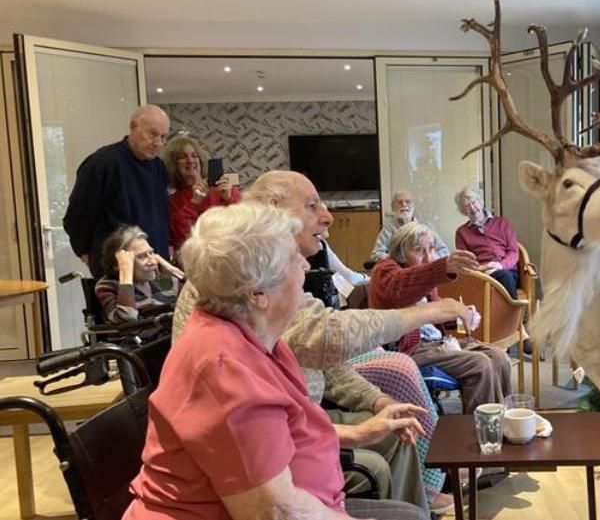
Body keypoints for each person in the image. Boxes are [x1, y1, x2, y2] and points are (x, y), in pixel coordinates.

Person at [172, 170, 462, 513]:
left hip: (296, 430)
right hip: (267, 474)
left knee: (395, 437)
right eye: (312, 205)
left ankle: (421, 501)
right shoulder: (228, 343)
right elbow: (325, 337)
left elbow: (317, 359)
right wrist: (428, 312)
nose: (327, 216)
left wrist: (375, 403)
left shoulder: (260, 316)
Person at [125, 203, 428, 520]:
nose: (306, 268)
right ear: (257, 292)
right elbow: (273, 511)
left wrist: (362, 432)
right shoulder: (223, 366)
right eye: (294, 259)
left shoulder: (258, 338)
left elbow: (284, 431)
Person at [370, 222, 512, 413]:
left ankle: (503, 420)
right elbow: (400, 288)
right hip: (410, 350)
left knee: (499, 357)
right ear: (401, 253)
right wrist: (441, 267)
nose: (428, 257)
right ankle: (479, 430)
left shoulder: (423, 276)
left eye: (432, 249)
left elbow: (433, 309)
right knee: (480, 364)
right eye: (419, 251)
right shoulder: (385, 270)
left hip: (437, 342)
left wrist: (461, 316)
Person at [63, 104, 171, 278]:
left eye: (163, 136)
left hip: (154, 263)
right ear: (134, 127)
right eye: (152, 134)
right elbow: (78, 216)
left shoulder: (159, 168)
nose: (158, 142)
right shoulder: (102, 163)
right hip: (118, 267)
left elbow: (161, 217)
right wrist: (84, 250)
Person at [163, 135, 240, 253]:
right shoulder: (173, 201)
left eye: (194, 156)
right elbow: (182, 237)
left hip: (229, 255)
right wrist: (194, 203)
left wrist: (228, 198)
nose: (190, 160)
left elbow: (243, 225)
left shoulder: (224, 189)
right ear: (174, 164)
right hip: (195, 260)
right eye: (183, 157)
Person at [94, 225, 182, 324]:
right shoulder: (108, 285)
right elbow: (128, 318)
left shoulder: (159, 279)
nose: (153, 261)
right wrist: (126, 273)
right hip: (144, 338)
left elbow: (197, 299)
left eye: (151, 253)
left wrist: (172, 270)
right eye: (141, 256)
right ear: (119, 263)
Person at [454, 186, 520, 299]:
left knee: (506, 276)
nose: (472, 208)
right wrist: (483, 269)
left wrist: (500, 265)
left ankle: (511, 314)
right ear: (463, 211)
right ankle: (511, 314)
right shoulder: (462, 233)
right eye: (467, 206)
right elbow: (465, 262)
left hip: (507, 270)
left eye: (474, 202)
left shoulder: (502, 223)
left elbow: (514, 252)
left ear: (481, 202)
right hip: (482, 275)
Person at [370, 190, 449, 262]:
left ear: (413, 206)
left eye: (408, 202)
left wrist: (431, 259)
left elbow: (444, 251)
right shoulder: (388, 229)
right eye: (399, 202)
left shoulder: (427, 226)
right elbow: (376, 254)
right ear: (393, 207)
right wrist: (400, 261)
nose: (404, 204)